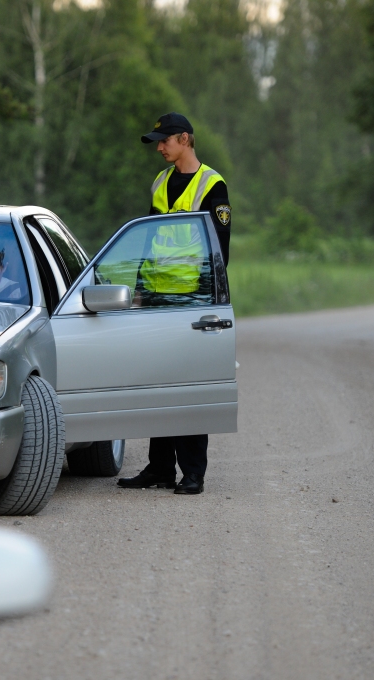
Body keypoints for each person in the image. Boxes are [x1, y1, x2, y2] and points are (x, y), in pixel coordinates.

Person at [117, 112, 232, 496]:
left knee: (188, 385)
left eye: (165, 140)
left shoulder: (212, 185)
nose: (160, 147)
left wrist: (207, 302)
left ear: (185, 139)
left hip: (191, 301)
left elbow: (220, 251)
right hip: (154, 298)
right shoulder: (160, 183)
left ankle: (193, 473)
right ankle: (161, 468)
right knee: (157, 381)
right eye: (157, 142)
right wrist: (137, 290)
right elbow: (149, 240)